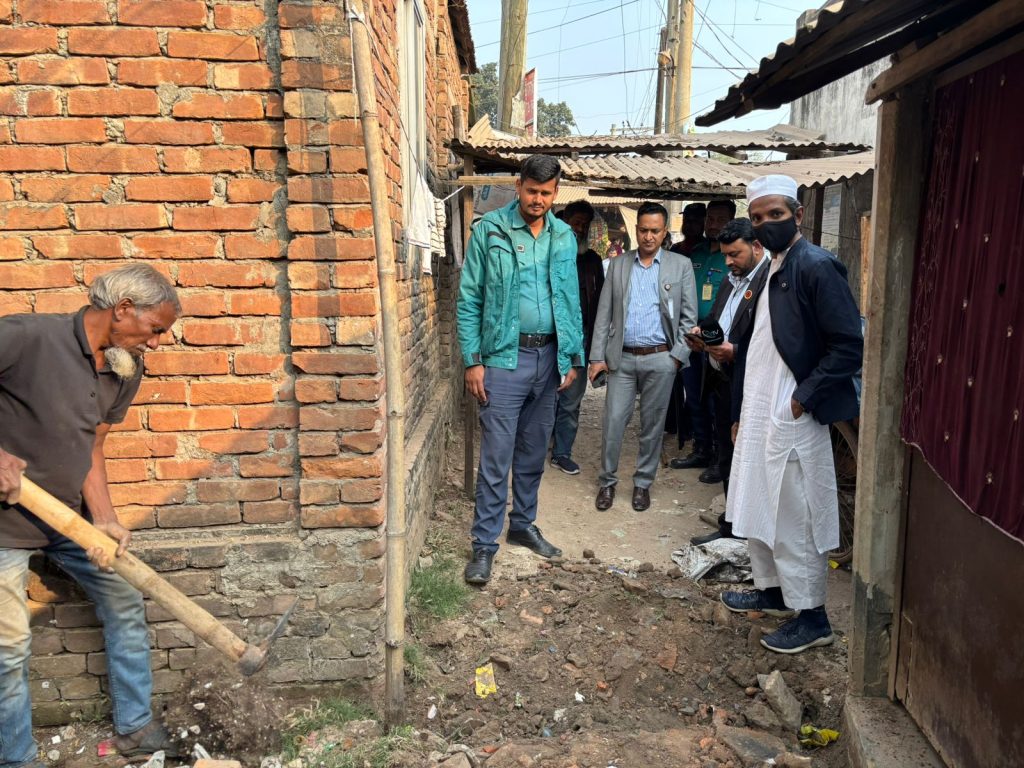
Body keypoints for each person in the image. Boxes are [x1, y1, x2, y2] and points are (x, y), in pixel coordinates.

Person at [0, 264, 181, 766]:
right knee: (9, 646)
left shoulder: (125, 368)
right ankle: (16, 759)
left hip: (66, 517)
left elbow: (94, 444)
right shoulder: (28, 337)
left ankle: (136, 727)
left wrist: (102, 517)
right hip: (3, 525)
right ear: (123, 309)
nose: (159, 343)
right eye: (156, 329)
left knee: (124, 596)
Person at [721, 175, 863, 654]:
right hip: (761, 409)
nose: (765, 226)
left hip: (792, 410)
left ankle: (813, 615)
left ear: (798, 216)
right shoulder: (769, 267)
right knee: (760, 500)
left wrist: (802, 397)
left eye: (775, 216)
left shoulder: (817, 266)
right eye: (757, 219)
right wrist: (744, 409)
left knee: (795, 512)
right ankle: (775, 591)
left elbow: (848, 347)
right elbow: (755, 344)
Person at [457, 154, 584, 585]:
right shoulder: (489, 231)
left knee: (532, 454)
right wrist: (473, 360)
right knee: (496, 458)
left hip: (548, 360)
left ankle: (523, 524)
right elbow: (470, 297)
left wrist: (571, 357)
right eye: (532, 191)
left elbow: (570, 301)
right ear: (518, 185)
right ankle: (484, 546)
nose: (538, 200)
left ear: (556, 192)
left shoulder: (564, 237)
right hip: (502, 359)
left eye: (547, 193)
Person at [589, 202, 697, 512]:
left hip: (660, 359)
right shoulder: (619, 265)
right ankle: (607, 483)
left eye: (654, 231)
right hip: (621, 360)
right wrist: (598, 356)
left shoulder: (680, 266)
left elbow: (689, 317)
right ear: (636, 230)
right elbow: (604, 313)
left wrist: (677, 357)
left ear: (665, 232)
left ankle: (642, 484)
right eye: (643, 230)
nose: (648, 236)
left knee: (653, 425)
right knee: (613, 422)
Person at [683, 218, 769, 545]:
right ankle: (731, 527)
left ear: (757, 246)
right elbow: (718, 321)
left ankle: (746, 533)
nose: (728, 261)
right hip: (720, 382)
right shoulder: (731, 280)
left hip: (747, 385)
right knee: (728, 457)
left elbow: (769, 340)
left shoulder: (767, 284)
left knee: (747, 461)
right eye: (725, 254)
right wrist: (700, 333)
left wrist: (736, 351)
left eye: (735, 254)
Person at [670, 198, 735, 475]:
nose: (713, 225)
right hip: (690, 331)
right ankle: (701, 449)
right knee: (693, 393)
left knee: (715, 398)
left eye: (720, 220)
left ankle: (720, 458)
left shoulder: (731, 255)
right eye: (710, 219)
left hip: (717, 334)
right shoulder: (694, 254)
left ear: (731, 222)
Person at [550, 200, 605, 475]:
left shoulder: (593, 260)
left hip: (580, 341)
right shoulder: (547, 252)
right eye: (575, 222)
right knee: (546, 397)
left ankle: (562, 452)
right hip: (549, 339)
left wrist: (597, 345)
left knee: (571, 400)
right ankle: (537, 446)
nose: (579, 229)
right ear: (563, 221)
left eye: (584, 224)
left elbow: (600, 305)